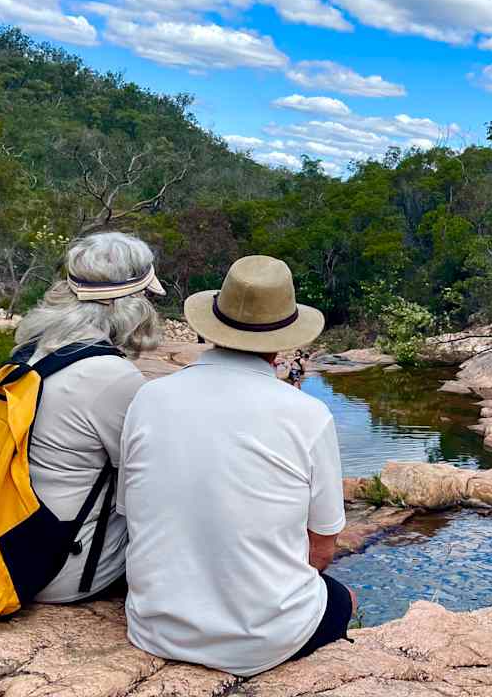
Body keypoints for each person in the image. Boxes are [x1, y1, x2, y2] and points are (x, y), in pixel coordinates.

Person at [120, 255, 352, 677]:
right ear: (283, 341)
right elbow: (322, 548)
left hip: (153, 628)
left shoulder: (149, 398)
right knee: (343, 600)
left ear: (209, 326)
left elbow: (133, 513)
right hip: (261, 642)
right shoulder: (308, 415)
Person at [14, 232, 164, 603]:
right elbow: (146, 480)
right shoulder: (110, 376)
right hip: (61, 569)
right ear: (130, 303)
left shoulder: (30, 352)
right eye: (145, 296)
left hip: (8, 542)